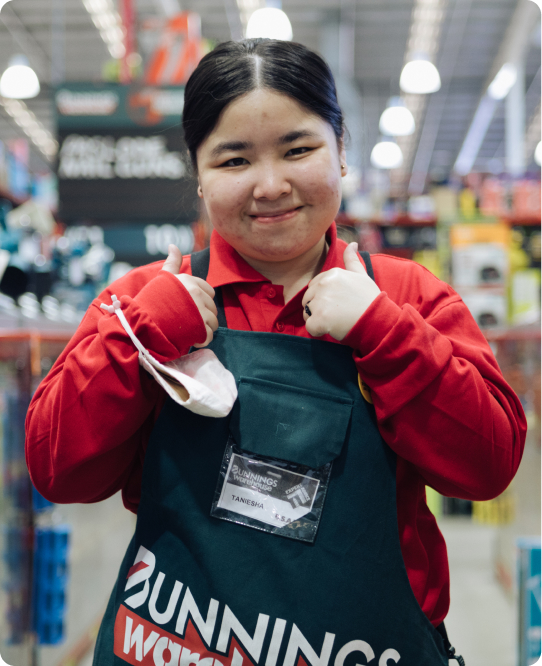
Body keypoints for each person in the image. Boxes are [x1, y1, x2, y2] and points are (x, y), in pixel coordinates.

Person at [26, 39, 525, 666]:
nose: (271, 185)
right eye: (234, 160)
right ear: (199, 177)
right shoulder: (141, 300)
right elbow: (56, 468)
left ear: (341, 151)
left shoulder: (408, 297)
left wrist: (384, 332)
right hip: (184, 645)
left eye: (298, 149)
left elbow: (486, 467)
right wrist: (144, 335)